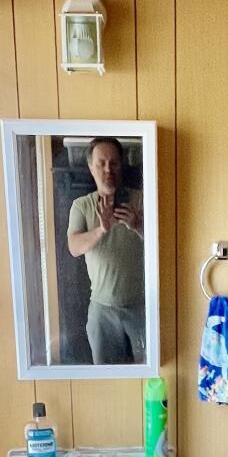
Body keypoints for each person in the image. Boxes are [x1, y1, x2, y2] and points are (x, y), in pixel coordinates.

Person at [66, 136, 146, 363]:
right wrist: (102, 229)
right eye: (101, 163)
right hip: (102, 310)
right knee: (105, 376)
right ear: (91, 167)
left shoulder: (142, 200)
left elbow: (164, 246)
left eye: (114, 163)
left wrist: (138, 226)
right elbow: (74, 247)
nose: (108, 169)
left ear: (122, 166)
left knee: (153, 370)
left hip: (142, 306)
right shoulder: (81, 206)